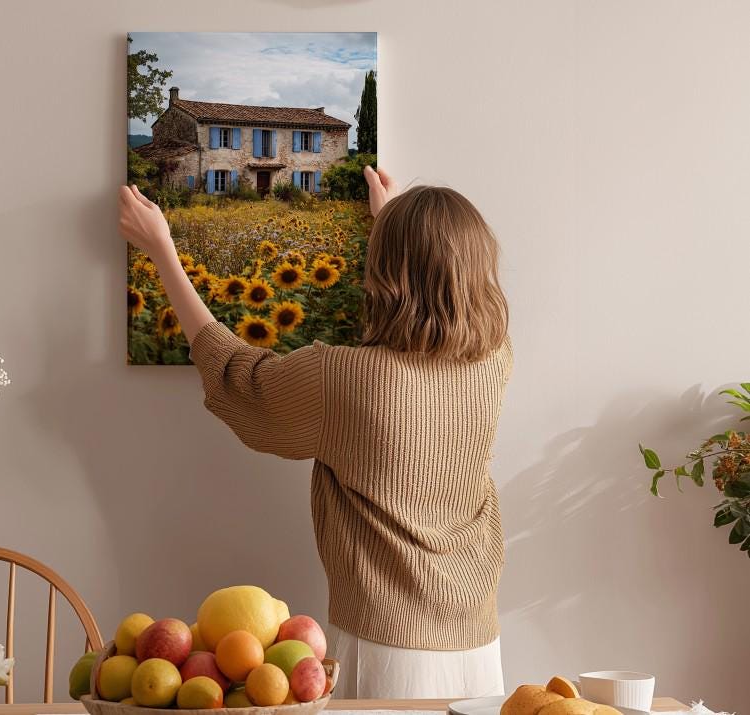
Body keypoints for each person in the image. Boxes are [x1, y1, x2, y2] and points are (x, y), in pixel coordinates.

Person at [118, 166, 512, 699]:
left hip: (386, 644)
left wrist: (161, 248)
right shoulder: (494, 359)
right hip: (479, 643)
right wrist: (391, 225)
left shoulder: (344, 377)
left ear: (385, 271)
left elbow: (238, 375)